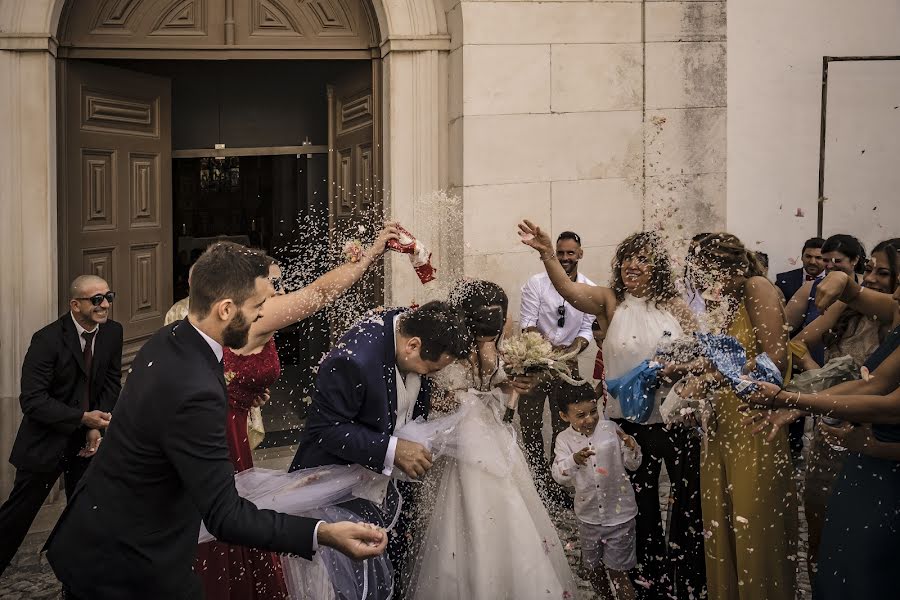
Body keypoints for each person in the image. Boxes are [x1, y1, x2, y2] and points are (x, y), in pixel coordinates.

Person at [45, 242, 387, 600]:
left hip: (97, 530)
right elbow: (225, 516)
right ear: (226, 309)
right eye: (257, 307)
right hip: (128, 565)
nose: (262, 316)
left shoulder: (170, 339)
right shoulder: (197, 391)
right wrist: (323, 533)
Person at [195, 226, 398, 599]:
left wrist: (243, 390)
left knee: (233, 502)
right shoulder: (255, 312)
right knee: (225, 509)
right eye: (271, 284)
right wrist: (369, 255)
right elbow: (319, 294)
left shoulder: (237, 315)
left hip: (233, 420)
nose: (278, 293)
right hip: (220, 426)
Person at [519, 221, 706, 600]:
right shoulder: (610, 302)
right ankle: (646, 575)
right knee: (642, 502)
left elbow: (700, 359)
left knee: (685, 501)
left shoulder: (676, 308)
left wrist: (676, 371)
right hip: (629, 425)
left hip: (674, 418)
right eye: (626, 259)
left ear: (657, 267)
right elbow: (568, 290)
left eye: (642, 259)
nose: (631, 266)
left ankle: (686, 576)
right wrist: (546, 253)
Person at [405, 279, 578, 599]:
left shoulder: (496, 351)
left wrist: (512, 385)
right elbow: (435, 406)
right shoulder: (447, 354)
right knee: (464, 520)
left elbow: (499, 394)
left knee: (507, 515)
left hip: (494, 446)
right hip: (460, 451)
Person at [290, 300, 471, 598]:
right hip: (335, 488)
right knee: (343, 583)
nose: (429, 375)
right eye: (431, 368)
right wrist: (392, 449)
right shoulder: (355, 360)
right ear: (413, 345)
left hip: (381, 487)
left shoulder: (409, 326)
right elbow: (326, 430)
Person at [680, 232, 797, 600]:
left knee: (751, 525)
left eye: (701, 273)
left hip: (753, 423)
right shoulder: (725, 302)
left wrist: (712, 378)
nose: (698, 283)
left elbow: (774, 360)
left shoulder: (757, 287)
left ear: (724, 266)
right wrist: (690, 369)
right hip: (720, 425)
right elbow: (729, 359)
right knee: (723, 522)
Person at [0, 276, 122, 576]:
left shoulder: (113, 333)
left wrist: (96, 425)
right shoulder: (47, 340)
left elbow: (110, 384)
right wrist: (82, 418)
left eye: (108, 296)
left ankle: (78, 577)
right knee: (17, 516)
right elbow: (32, 400)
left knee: (86, 512)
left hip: (86, 443)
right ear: (75, 304)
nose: (104, 304)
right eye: (96, 300)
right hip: (45, 442)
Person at [518, 230, 595, 506]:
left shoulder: (588, 287)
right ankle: (537, 481)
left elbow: (587, 328)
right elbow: (527, 321)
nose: (565, 258)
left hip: (568, 364)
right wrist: (544, 350)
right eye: (560, 253)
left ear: (580, 254)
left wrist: (573, 349)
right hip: (535, 363)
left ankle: (556, 481)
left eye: (570, 253)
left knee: (564, 424)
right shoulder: (536, 283)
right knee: (530, 424)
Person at [552, 383, 641, 600]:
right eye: (580, 415)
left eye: (593, 412)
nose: (590, 419)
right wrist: (574, 460)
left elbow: (633, 464)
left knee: (618, 573)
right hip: (589, 518)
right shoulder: (564, 440)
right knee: (593, 570)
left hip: (620, 516)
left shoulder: (610, 430)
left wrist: (631, 447)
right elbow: (559, 475)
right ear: (565, 416)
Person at [775, 236, 825, 304]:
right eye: (808, 256)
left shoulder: (836, 281)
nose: (812, 262)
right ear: (801, 257)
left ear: (827, 260)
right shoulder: (783, 280)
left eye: (818, 258)